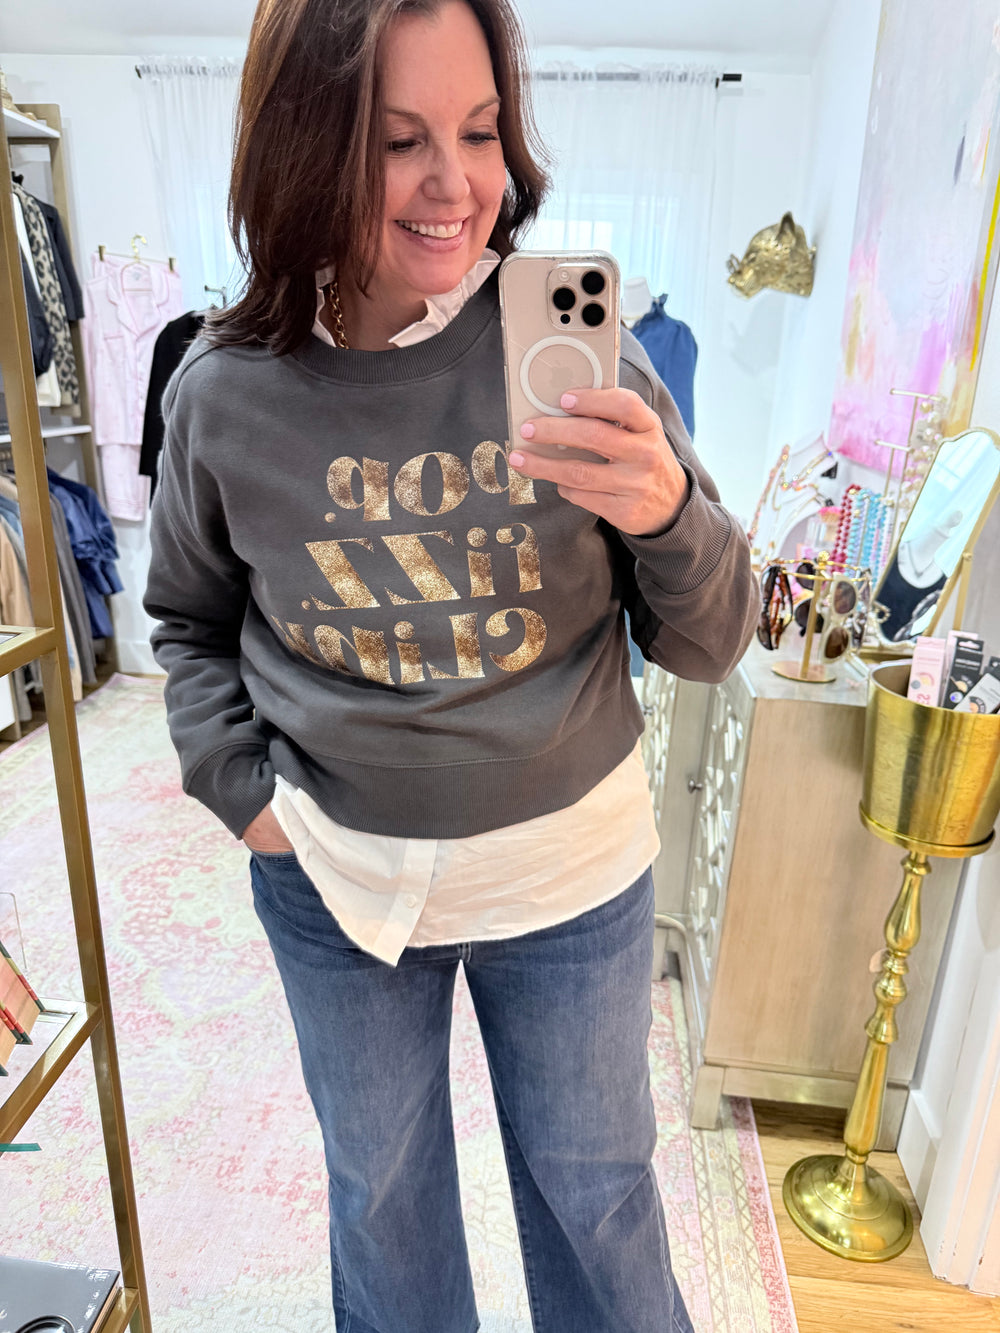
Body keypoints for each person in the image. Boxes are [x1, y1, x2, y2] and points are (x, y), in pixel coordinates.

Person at [144, 0, 757, 1329]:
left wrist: (669, 514)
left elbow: (712, 641)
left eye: (480, 133)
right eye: (397, 140)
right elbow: (188, 622)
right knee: (383, 1203)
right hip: (335, 874)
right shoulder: (222, 389)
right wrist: (240, 790)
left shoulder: (583, 354)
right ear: (305, 145)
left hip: (571, 872)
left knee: (600, 1200)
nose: (457, 185)